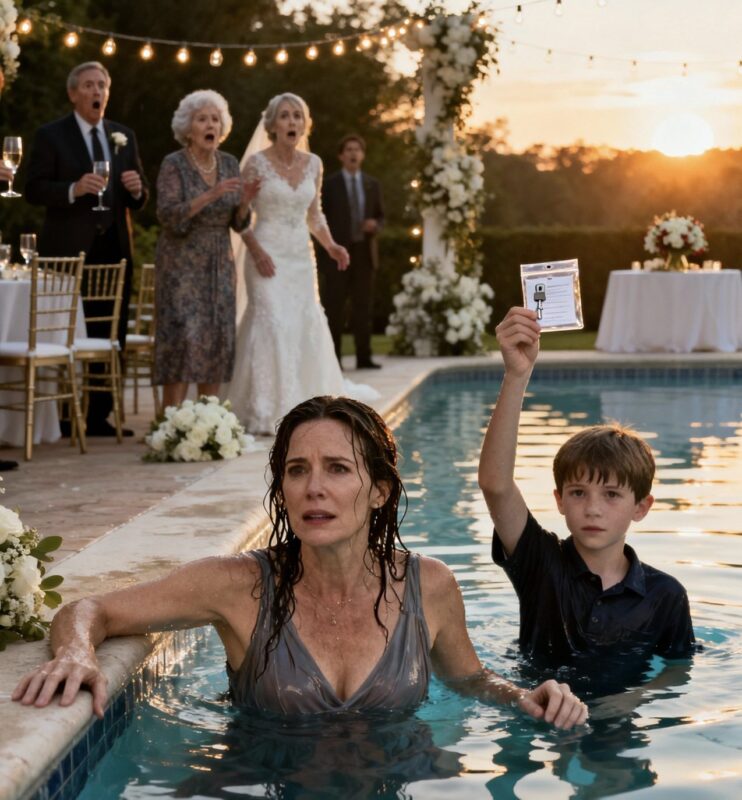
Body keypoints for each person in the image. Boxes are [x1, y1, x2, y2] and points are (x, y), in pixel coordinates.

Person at [12, 395, 587, 730]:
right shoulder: (236, 585)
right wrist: (75, 652)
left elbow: (470, 679)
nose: (314, 488)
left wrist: (523, 698)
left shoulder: (428, 584)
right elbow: (89, 609)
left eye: (337, 469)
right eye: (297, 470)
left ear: (380, 490)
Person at [478, 306, 695, 667]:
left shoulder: (665, 595)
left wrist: (627, 697)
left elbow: (678, 672)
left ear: (641, 507)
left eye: (611, 495)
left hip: (625, 707)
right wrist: (517, 375)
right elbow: (495, 484)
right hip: (537, 704)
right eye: (578, 492)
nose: (593, 509)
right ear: (560, 500)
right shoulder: (541, 563)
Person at [226, 93, 378, 435]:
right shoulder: (256, 164)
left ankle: (309, 405)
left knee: (302, 321)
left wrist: (331, 245)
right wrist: (250, 224)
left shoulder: (314, 164)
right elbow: (238, 218)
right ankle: (265, 408)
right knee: (271, 321)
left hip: (299, 256)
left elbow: (315, 214)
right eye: (284, 115)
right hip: (265, 254)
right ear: (272, 124)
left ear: (304, 124)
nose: (292, 121)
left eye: (297, 115)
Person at [24, 61, 148, 437]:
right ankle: (61, 413)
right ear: (73, 93)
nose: (97, 91)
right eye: (90, 85)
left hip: (114, 247)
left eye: (102, 86)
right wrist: (73, 189)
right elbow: (33, 189)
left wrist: (137, 190)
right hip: (67, 249)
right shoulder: (51, 135)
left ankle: (99, 415)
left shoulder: (123, 135)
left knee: (109, 330)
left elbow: (140, 196)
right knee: (62, 330)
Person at [153, 90, 259, 409]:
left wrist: (245, 202)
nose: (210, 124)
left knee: (216, 340)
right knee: (183, 341)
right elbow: (168, 215)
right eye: (202, 119)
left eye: (215, 119)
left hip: (219, 265)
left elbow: (239, 223)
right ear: (188, 128)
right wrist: (210, 195)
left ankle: (208, 421)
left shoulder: (229, 163)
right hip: (180, 265)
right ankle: (171, 421)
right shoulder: (173, 164)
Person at [317, 134, 384, 369]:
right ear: (341, 155)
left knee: (363, 308)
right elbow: (319, 218)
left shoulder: (372, 184)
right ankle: (334, 360)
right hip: (337, 256)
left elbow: (381, 216)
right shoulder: (329, 184)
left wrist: (375, 225)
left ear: (362, 155)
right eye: (349, 149)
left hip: (365, 253)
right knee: (334, 308)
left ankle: (364, 358)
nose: (353, 153)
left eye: (357, 149)